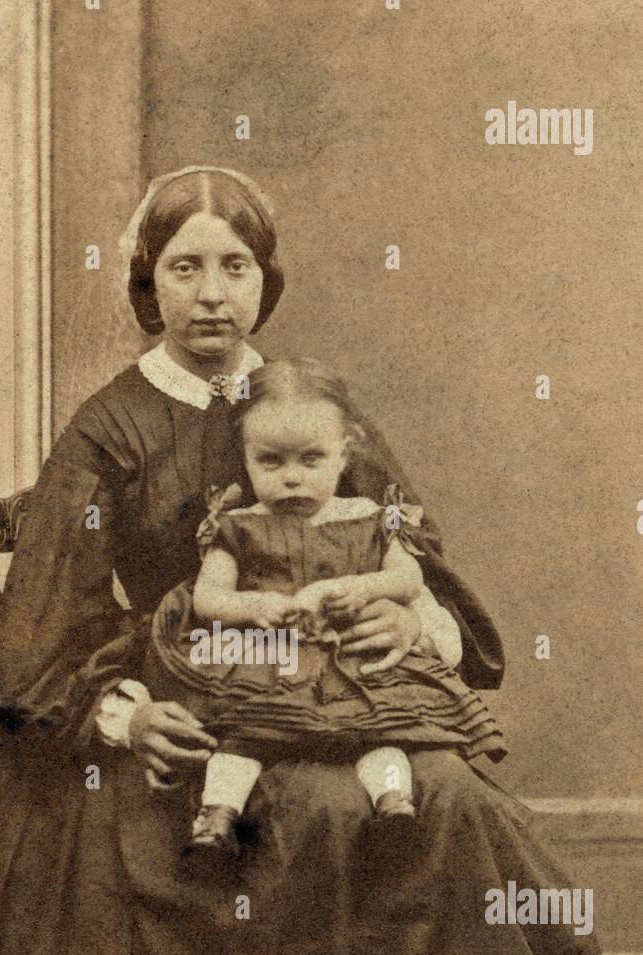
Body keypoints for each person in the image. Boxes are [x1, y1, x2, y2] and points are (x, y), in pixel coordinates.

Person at [0, 165, 643, 955]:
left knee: (456, 801)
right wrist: (125, 716)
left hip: (350, 696)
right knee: (293, 821)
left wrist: (409, 629)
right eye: (185, 268)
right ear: (147, 283)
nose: (212, 294)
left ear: (266, 281)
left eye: (236, 267)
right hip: (197, 691)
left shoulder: (309, 405)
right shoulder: (110, 426)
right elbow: (46, 627)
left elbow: (412, 552)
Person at [143, 357, 506, 858]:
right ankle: (217, 816)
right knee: (244, 739)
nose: (292, 479)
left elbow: (408, 578)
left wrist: (363, 589)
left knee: (378, 732)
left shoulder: (369, 518)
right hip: (272, 663)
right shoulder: (239, 526)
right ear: (245, 458)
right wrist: (254, 605)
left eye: (311, 460)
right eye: (271, 462)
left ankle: (393, 804)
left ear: (344, 455)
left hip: (350, 665)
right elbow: (208, 597)